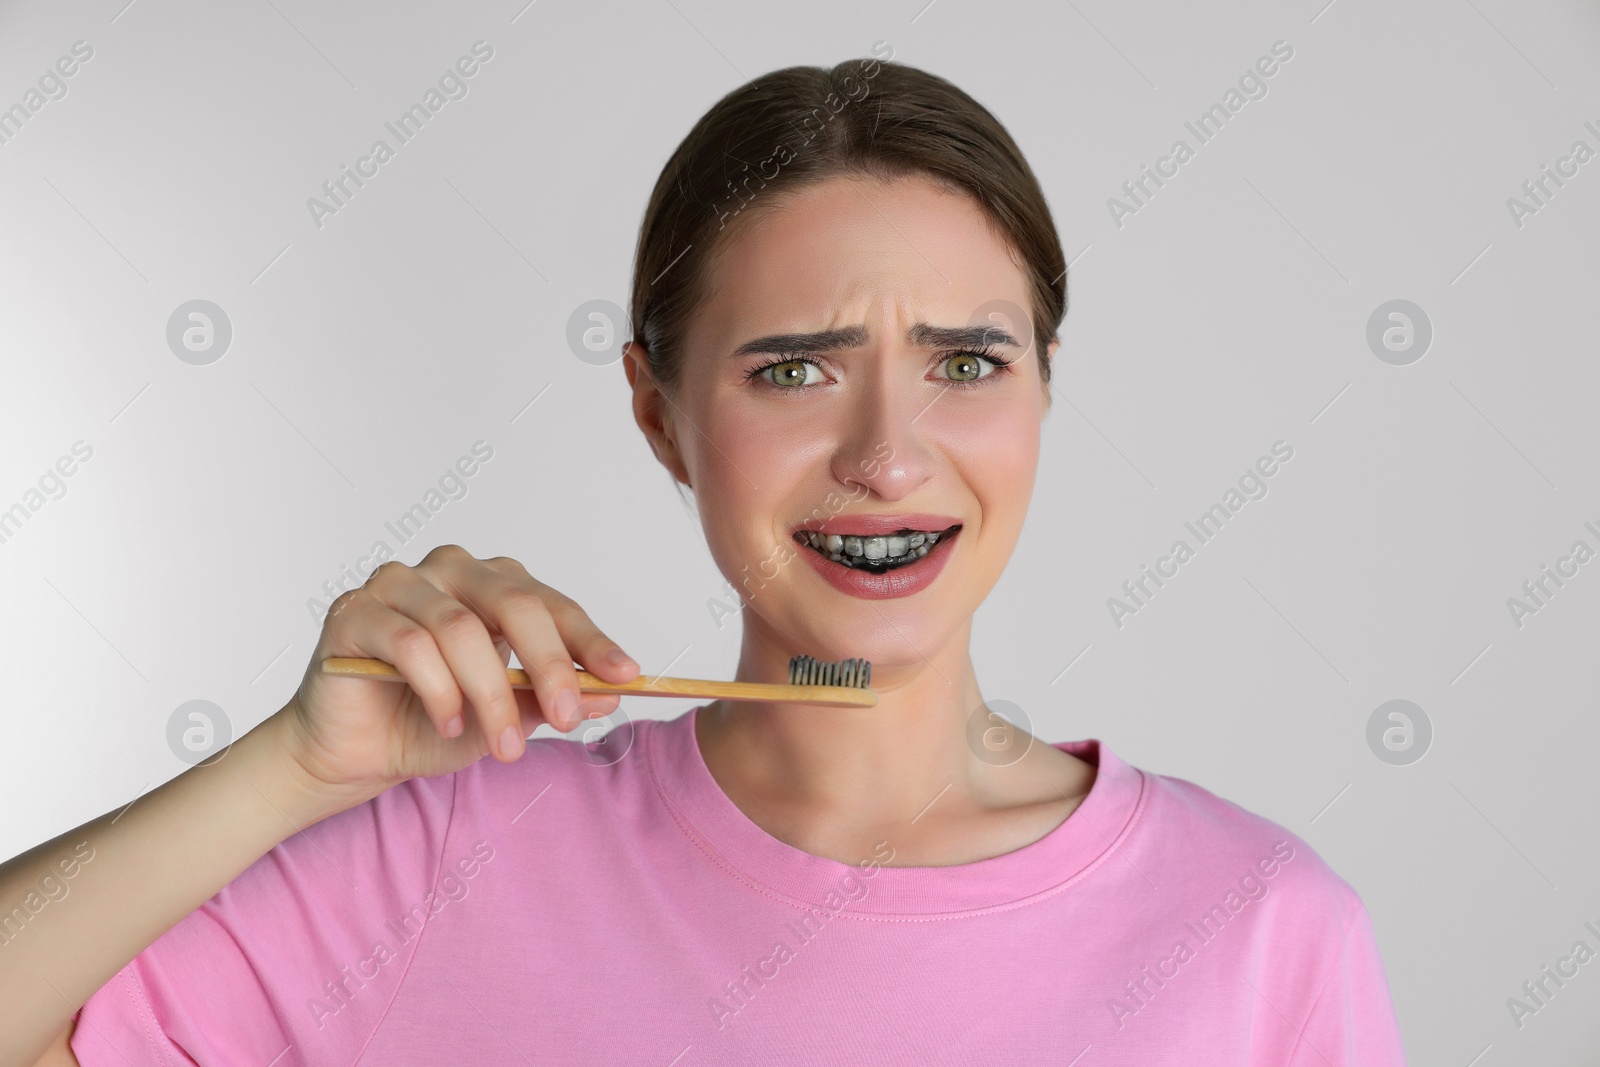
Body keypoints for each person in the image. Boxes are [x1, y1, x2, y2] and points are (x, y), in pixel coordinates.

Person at [3, 54, 1408, 1065]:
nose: (887, 456)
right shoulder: (439, 866)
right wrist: (289, 769)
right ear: (658, 413)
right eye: (795, 369)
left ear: (1044, 387)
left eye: (968, 362)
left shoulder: (1260, 929)